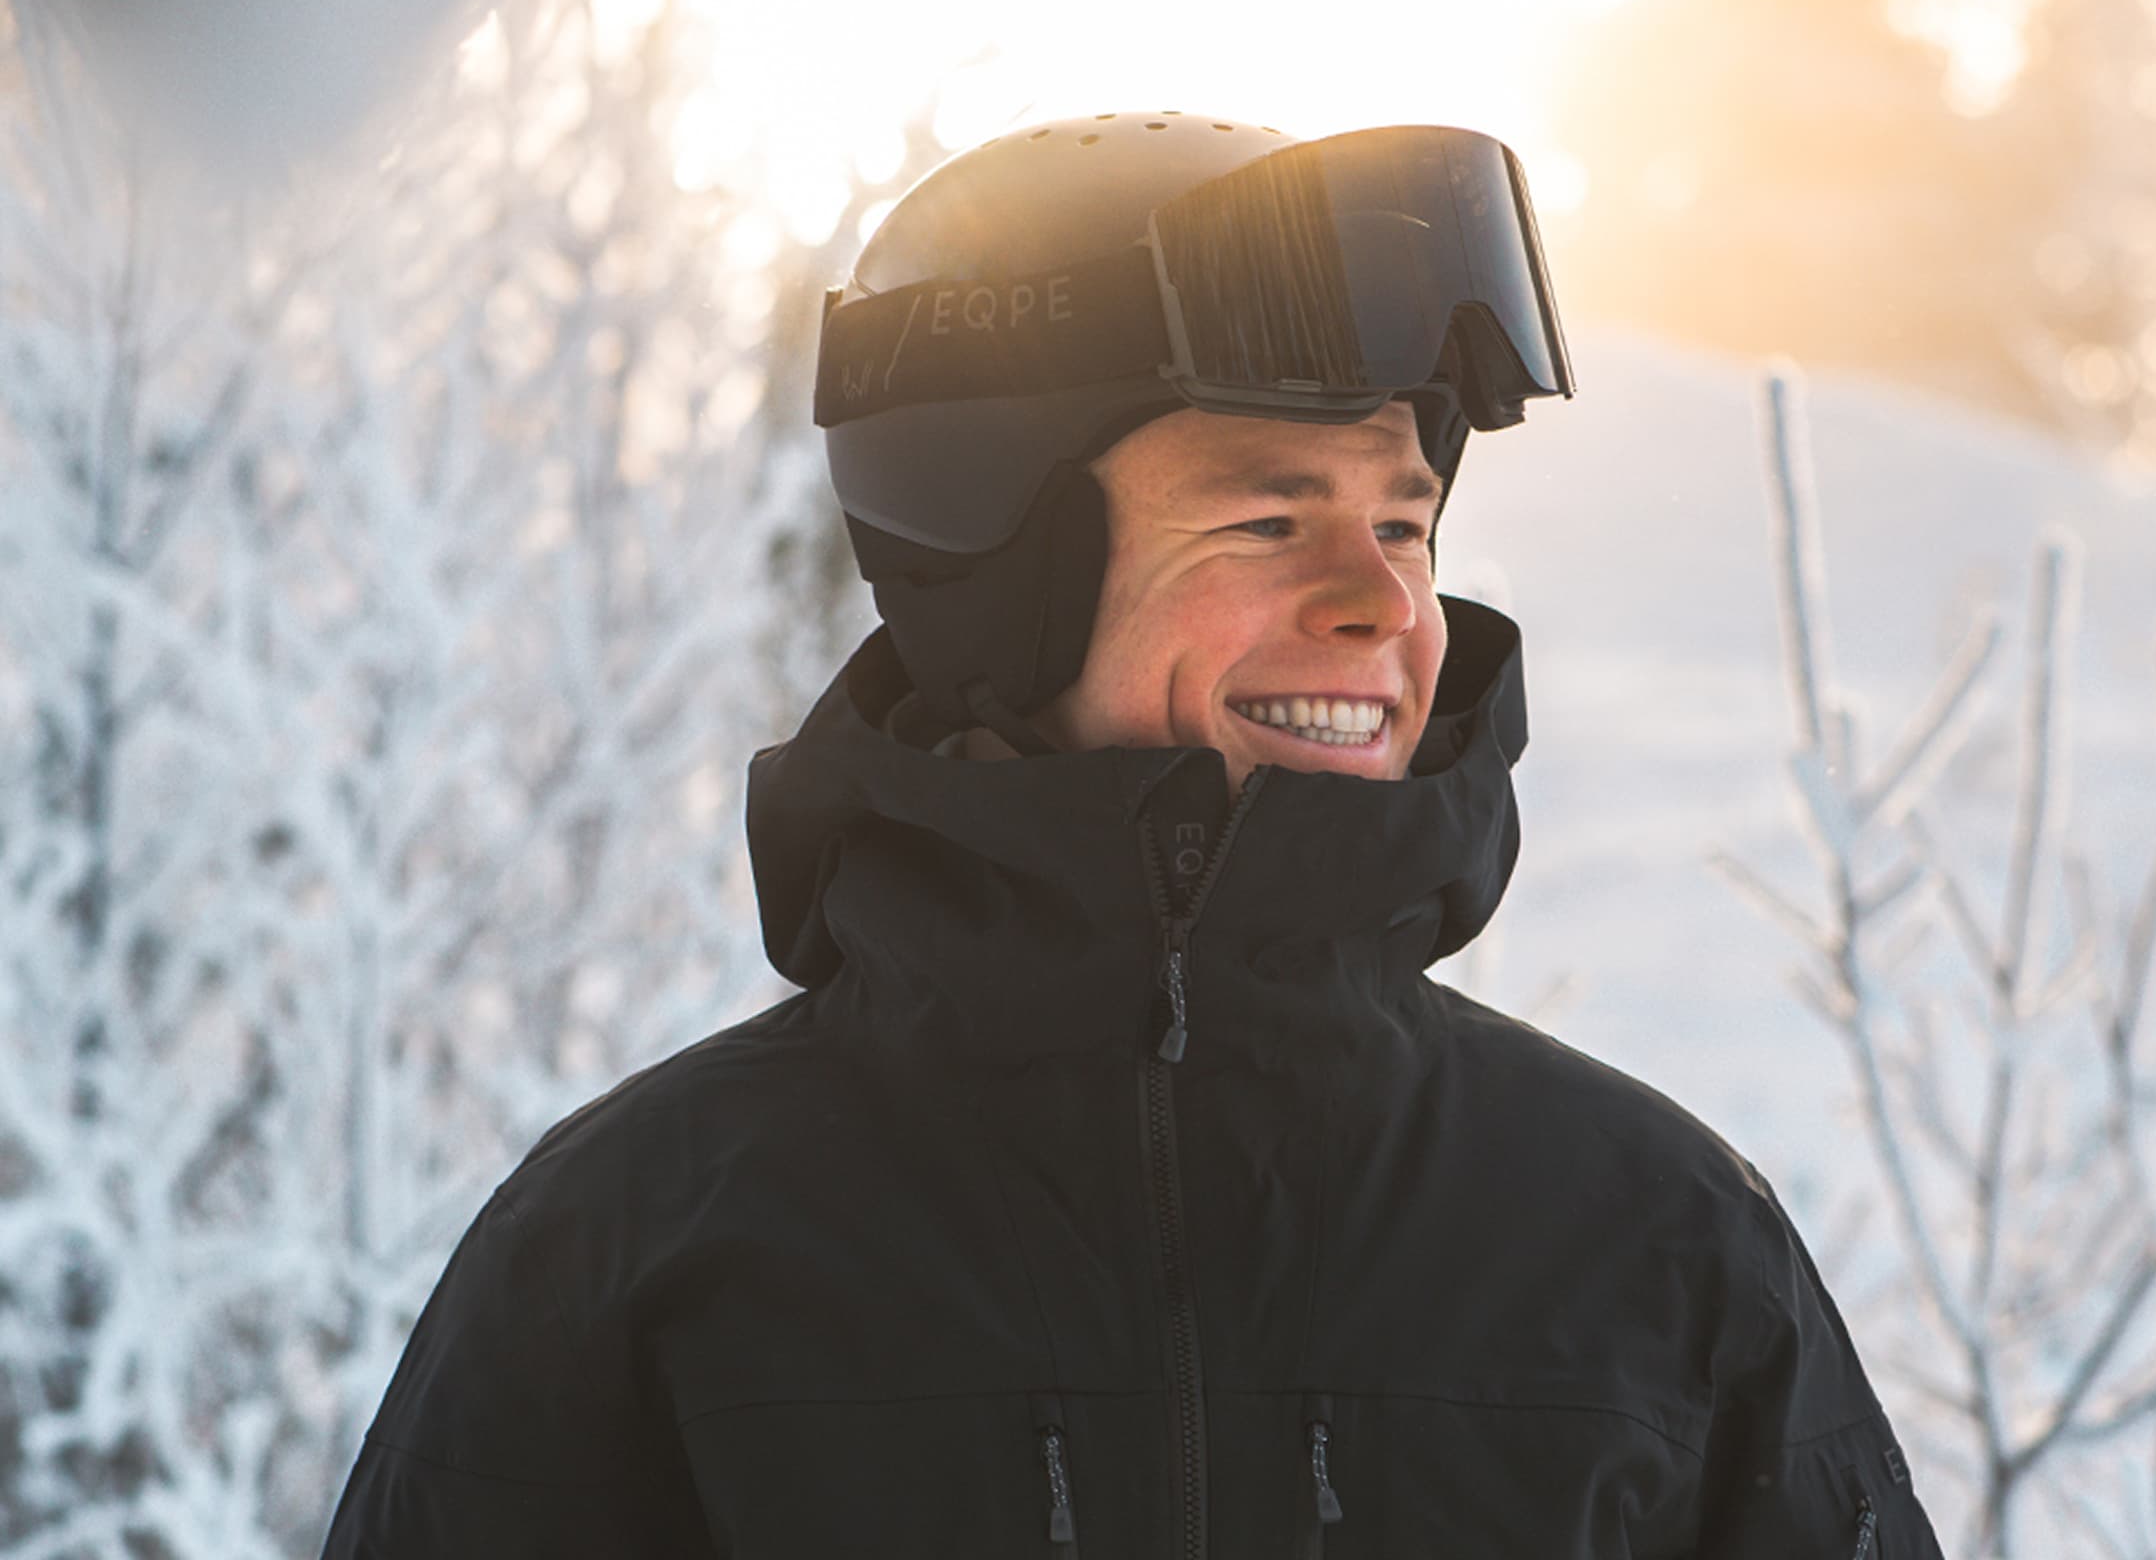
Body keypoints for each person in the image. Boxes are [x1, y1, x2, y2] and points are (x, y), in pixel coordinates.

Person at [322, 112, 1945, 1557]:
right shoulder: (645, 1244)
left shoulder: (1646, 1234)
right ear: (1002, 586)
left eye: (1405, 521)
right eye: (1266, 517)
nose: (1386, 605)